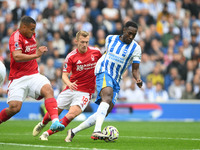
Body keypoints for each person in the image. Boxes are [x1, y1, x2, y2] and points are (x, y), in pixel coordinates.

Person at [65, 21, 143, 142]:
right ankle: (97, 131)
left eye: (134, 34)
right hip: (104, 70)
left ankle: (73, 131)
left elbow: (135, 69)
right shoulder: (110, 39)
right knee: (106, 96)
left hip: (116, 78)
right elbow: (105, 55)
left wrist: (137, 78)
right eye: (129, 33)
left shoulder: (136, 48)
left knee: (104, 112)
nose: (131, 37)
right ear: (124, 30)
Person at [32, 31, 102, 141]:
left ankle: (46, 134)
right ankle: (42, 123)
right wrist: (69, 83)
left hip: (85, 92)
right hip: (71, 89)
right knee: (54, 113)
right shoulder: (71, 56)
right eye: (82, 42)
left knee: (71, 114)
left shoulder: (96, 52)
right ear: (76, 41)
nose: (84, 44)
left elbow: (104, 62)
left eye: (87, 42)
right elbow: (64, 75)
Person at [0, 16, 65, 132]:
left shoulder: (31, 35)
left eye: (34, 29)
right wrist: (36, 55)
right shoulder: (15, 37)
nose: (33, 32)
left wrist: (36, 53)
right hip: (18, 78)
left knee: (48, 90)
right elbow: (16, 56)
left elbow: (30, 51)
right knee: (14, 108)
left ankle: (55, 121)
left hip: (33, 74)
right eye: (31, 29)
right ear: (23, 27)